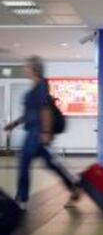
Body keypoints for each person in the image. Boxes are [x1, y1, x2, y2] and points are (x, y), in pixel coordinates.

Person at [4, 56, 80, 210]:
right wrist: (15, 123)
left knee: (24, 163)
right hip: (34, 131)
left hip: (37, 133)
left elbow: (45, 110)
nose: (24, 69)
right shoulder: (35, 87)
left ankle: (22, 200)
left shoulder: (42, 85)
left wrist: (46, 132)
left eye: (26, 66)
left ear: (34, 68)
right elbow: (31, 113)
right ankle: (73, 186)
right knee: (50, 164)